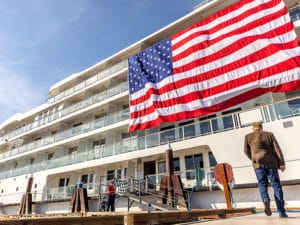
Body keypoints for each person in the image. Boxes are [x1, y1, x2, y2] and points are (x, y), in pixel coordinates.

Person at [244, 122, 288, 218]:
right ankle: (281, 212)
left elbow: (246, 151)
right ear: (261, 127)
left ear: (253, 128)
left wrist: (254, 159)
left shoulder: (248, 137)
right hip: (271, 163)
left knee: (262, 183)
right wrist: (282, 163)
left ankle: (265, 199)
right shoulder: (269, 134)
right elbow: (277, 149)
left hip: (258, 164)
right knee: (276, 186)